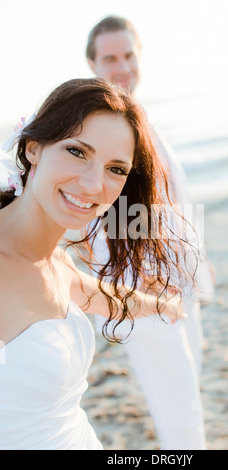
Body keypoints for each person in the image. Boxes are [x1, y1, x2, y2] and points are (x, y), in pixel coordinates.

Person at [0, 78, 190, 450]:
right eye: (77, 152)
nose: (92, 184)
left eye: (116, 169)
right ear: (34, 147)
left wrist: (163, 305)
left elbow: (99, 294)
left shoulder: (54, 258)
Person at [86, 16, 215, 450]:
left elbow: (170, 204)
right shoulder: (102, 128)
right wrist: (143, 281)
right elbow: (98, 210)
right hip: (143, 292)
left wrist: (197, 260)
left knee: (188, 396)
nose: (122, 66)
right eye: (110, 58)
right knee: (179, 412)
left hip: (180, 285)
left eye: (128, 55)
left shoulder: (138, 119)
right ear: (92, 64)